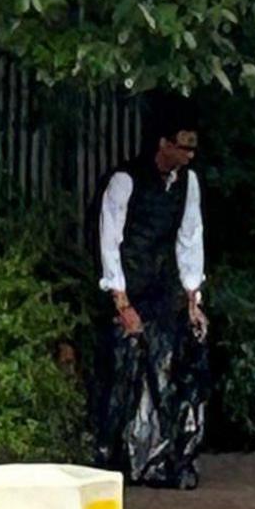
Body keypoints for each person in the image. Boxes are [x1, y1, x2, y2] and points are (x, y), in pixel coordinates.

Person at [95, 102, 210, 488]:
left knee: (167, 372)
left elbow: (189, 237)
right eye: (183, 147)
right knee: (125, 375)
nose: (189, 156)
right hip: (131, 287)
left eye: (193, 149)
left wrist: (193, 295)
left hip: (165, 288)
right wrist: (120, 299)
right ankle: (121, 456)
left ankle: (161, 457)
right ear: (163, 144)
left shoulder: (187, 183)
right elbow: (110, 240)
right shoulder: (126, 180)